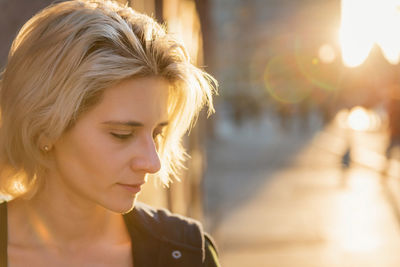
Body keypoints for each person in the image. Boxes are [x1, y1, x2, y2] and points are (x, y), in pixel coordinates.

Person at [0, 0, 219, 266]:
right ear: (44, 129)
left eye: (157, 134)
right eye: (122, 134)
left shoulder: (187, 254)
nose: (152, 163)